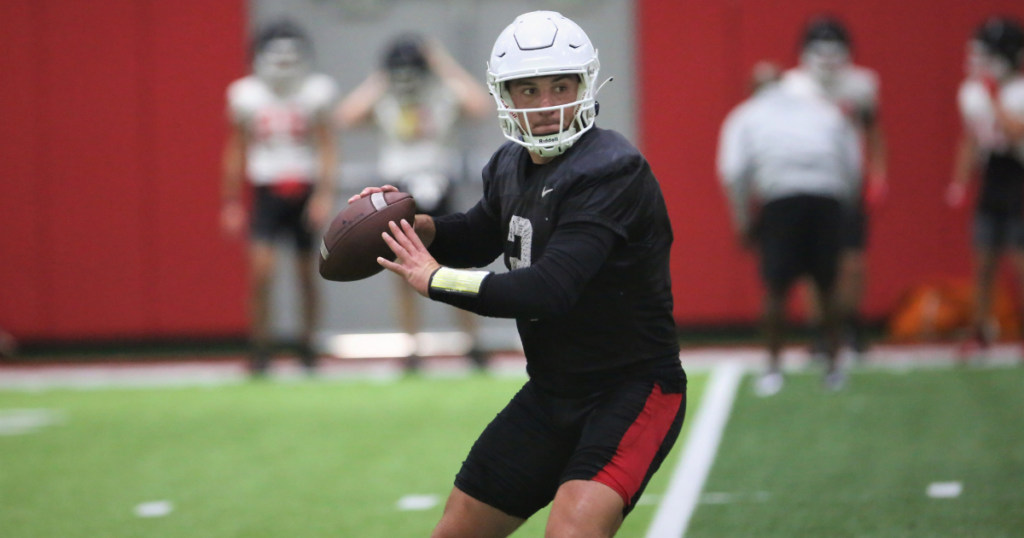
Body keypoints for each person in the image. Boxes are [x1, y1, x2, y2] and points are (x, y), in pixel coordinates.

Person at [348, 11, 686, 537]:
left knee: (570, 533)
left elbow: (549, 289)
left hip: (631, 389)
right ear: (506, 95)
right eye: (528, 89)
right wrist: (415, 227)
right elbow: (481, 233)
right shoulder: (510, 163)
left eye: (560, 85)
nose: (547, 103)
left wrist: (436, 279)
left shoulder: (611, 169)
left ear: (585, 84)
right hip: (552, 390)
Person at [335, 34, 492, 371]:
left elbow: (480, 105)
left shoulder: (442, 93)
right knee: (403, 269)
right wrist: (380, 77)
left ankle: (472, 342)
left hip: (439, 181)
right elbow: (345, 116)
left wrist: (443, 63)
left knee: (457, 265)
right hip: (400, 189)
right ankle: (412, 346)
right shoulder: (386, 99)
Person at [718, 68, 862, 395]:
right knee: (827, 285)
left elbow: (733, 171)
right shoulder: (821, 109)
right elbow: (850, 157)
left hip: (780, 197)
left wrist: (742, 221)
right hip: (828, 196)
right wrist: (846, 206)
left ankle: (772, 370)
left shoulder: (745, 115)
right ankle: (835, 367)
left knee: (776, 288)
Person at [221, 20, 338, 376]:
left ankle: (308, 344)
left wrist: (323, 194)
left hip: (303, 186)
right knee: (261, 272)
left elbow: (326, 146)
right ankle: (260, 348)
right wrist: (230, 201)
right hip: (267, 189)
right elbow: (236, 147)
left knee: (307, 274)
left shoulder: (315, 92)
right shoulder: (246, 94)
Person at [782, 16, 887, 360]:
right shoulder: (793, 86)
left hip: (848, 181)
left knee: (853, 260)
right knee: (814, 263)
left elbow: (873, 130)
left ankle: (851, 325)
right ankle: (820, 331)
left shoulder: (860, 85)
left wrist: (878, 174)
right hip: (809, 180)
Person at [946, 17, 1024, 359]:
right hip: (994, 175)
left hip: (1020, 175)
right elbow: (971, 138)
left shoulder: (1017, 91)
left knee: (1020, 260)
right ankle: (980, 330)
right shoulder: (971, 91)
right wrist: (960, 181)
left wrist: (993, 97)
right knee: (983, 261)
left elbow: (1015, 132)